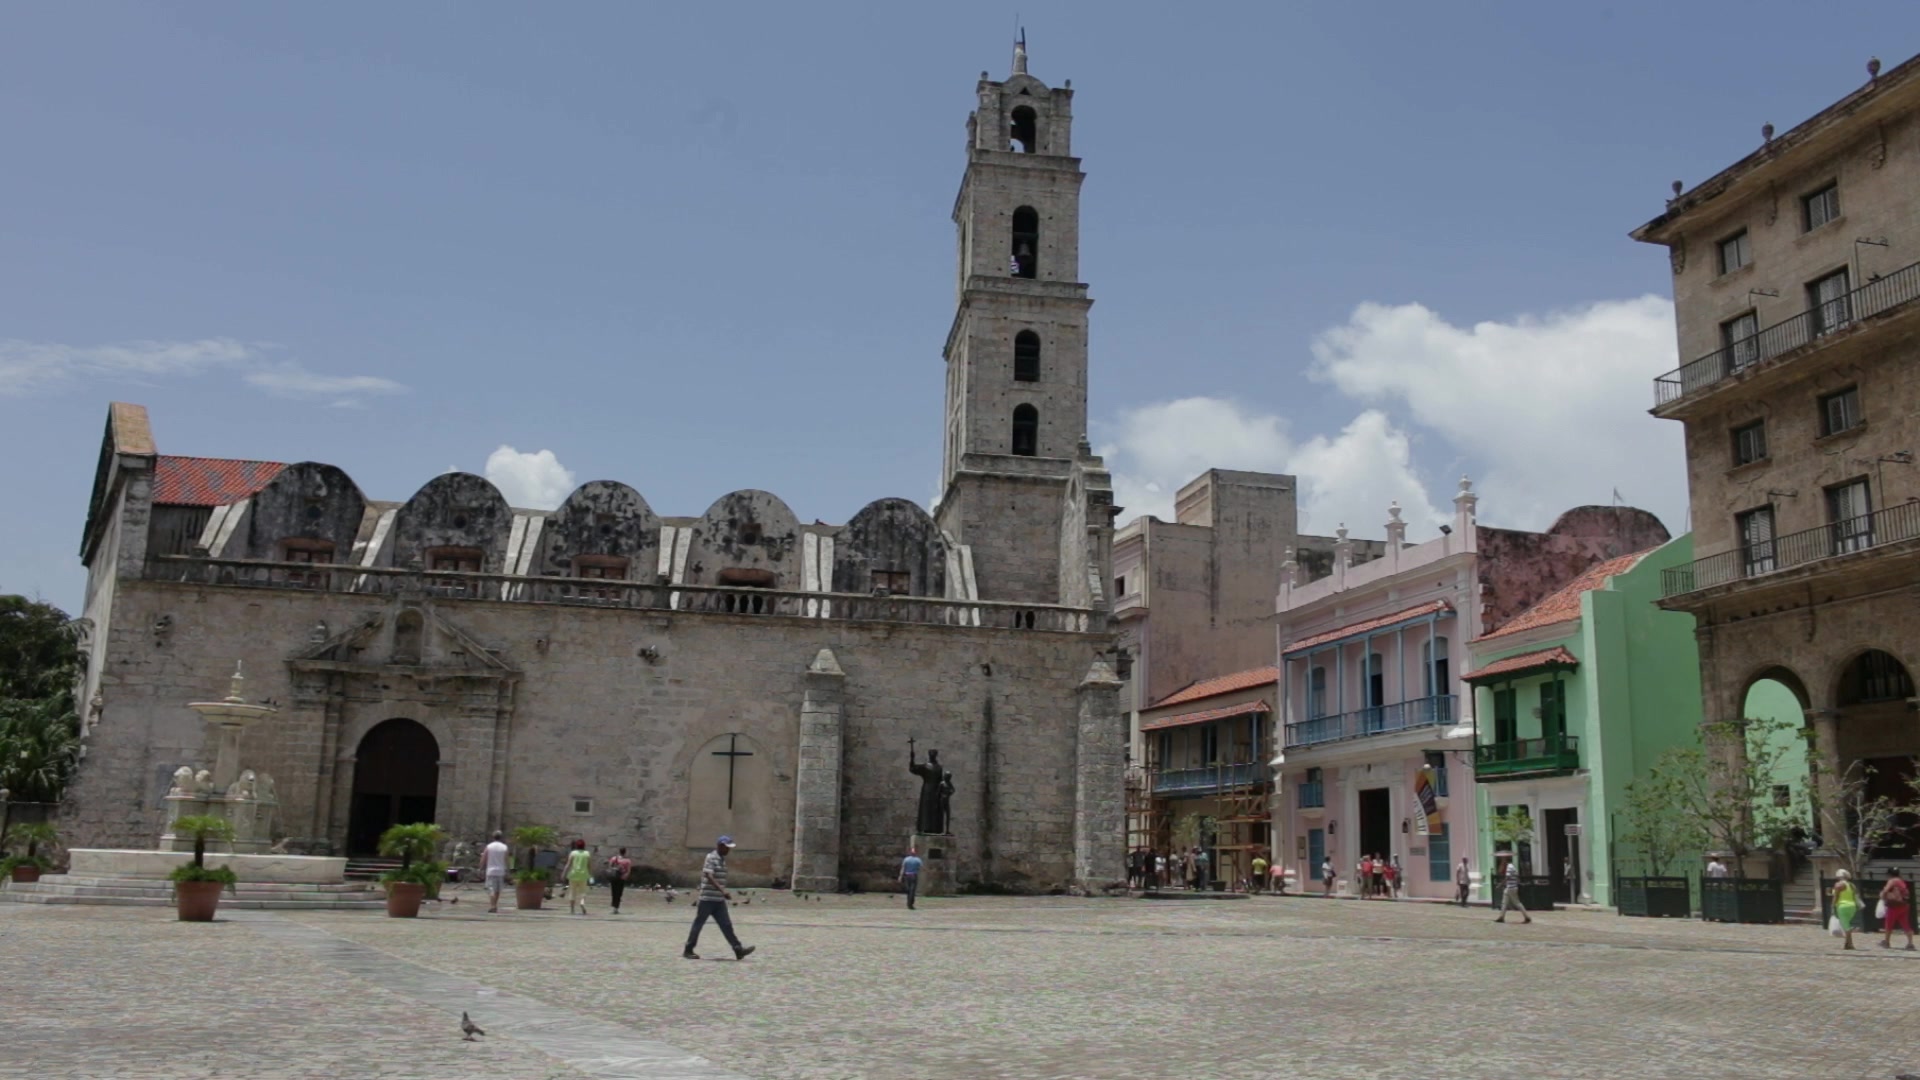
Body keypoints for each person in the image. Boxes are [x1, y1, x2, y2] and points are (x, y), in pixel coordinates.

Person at [684, 836, 755, 960]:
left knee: (726, 925)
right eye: (727, 847)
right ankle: (688, 950)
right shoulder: (711, 857)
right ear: (720, 846)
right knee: (699, 924)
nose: (728, 850)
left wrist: (721, 894)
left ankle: (738, 950)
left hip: (718, 901)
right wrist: (722, 891)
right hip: (707, 899)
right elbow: (709, 876)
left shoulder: (722, 859)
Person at [1879, 867, 1914, 950]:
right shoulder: (1901, 881)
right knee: (1905, 924)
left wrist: (1882, 896)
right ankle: (1910, 943)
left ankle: (1887, 942)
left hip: (1894, 905)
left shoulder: (1892, 881)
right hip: (1904, 905)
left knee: (1889, 923)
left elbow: (1886, 890)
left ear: (1889, 874)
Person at [1493, 857, 1531, 924]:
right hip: (1510, 887)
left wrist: (1500, 885)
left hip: (1511, 887)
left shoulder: (1509, 867)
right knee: (1504, 903)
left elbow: (1507, 877)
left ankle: (1527, 917)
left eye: (1503, 860)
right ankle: (1501, 917)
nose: (1502, 861)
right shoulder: (1511, 866)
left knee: (1517, 903)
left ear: (1506, 860)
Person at [482, 830, 511, 914]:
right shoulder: (504, 847)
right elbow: (507, 859)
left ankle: (492, 906)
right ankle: (495, 904)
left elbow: (484, 857)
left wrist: (481, 866)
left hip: (491, 871)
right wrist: (508, 870)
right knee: (498, 890)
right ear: (501, 837)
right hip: (500, 871)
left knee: (492, 889)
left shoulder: (489, 846)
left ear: (493, 837)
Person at [1833, 869, 1861, 951]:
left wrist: (1833, 905)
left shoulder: (1838, 885)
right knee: (1847, 924)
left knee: (1846, 926)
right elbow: (1855, 895)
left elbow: (1836, 897)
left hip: (1842, 906)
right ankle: (1847, 943)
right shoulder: (1852, 885)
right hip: (1852, 906)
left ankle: (1850, 944)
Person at [563, 839, 593, 915]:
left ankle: (572, 910)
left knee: (572, 892)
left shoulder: (573, 853)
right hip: (583, 875)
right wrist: (591, 875)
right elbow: (589, 866)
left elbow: (568, 864)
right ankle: (582, 903)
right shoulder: (587, 854)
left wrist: (564, 873)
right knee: (583, 892)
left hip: (573, 875)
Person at [605, 847, 633, 914]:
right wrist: (625, 876)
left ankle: (614, 906)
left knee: (614, 892)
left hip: (614, 877)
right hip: (621, 878)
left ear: (619, 851)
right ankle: (616, 908)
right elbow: (628, 871)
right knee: (619, 893)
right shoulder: (627, 861)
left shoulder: (614, 858)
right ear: (625, 852)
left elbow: (610, 867)